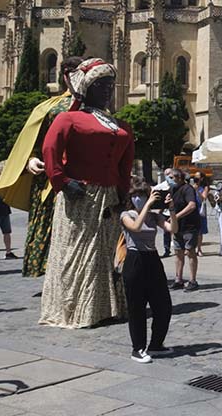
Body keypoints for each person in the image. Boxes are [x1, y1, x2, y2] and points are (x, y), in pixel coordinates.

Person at [40, 59, 132, 328]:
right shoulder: (68, 119)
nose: (107, 90)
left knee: (105, 253)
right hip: (81, 195)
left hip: (109, 198)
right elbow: (50, 150)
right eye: (100, 85)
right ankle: (76, 308)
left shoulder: (120, 124)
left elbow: (125, 164)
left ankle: (103, 308)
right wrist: (62, 181)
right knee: (78, 252)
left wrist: (123, 192)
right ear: (86, 87)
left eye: (110, 85)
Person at [0, 56, 83, 277]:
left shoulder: (97, 109)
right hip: (49, 179)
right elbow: (31, 141)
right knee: (49, 227)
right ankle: (52, 277)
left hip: (84, 179)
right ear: (65, 77)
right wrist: (30, 159)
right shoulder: (48, 108)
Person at [120, 178, 176, 363]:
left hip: (152, 259)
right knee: (137, 307)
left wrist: (172, 209)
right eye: (135, 195)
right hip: (135, 260)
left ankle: (156, 344)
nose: (139, 199)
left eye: (142, 195)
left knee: (163, 305)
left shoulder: (153, 216)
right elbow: (135, 228)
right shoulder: (126, 215)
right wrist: (148, 206)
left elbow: (173, 228)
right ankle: (138, 348)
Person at [168, 169, 200, 291]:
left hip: (189, 226)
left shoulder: (188, 189)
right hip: (178, 227)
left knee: (190, 252)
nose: (169, 179)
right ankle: (178, 279)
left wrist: (176, 216)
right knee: (178, 252)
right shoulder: (173, 189)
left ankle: (193, 280)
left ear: (179, 178)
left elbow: (192, 205)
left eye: (171, 177)